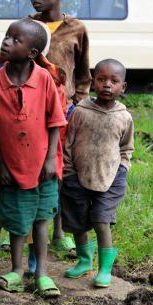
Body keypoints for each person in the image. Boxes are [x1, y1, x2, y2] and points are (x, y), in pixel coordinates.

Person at [0, 18, 66, 298]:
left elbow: (55, 122)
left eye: (15, 40)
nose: (6, 41)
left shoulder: (45, 79)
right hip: (11, 166)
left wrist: (51, 159)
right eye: (6, 36)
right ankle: (16, 270)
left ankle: (42, 273)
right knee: (16, 219)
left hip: (43, 166)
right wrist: (0, 164)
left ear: (32, 53)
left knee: (40, 219)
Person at [28, 0, 91, 255]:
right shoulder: (27, 26)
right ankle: (24, 228)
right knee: (30, 165)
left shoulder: (76, 29)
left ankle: (59, 230)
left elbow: (83, 73)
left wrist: (77, 103)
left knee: (59, 170)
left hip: (63, 111)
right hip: (29, 111)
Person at [61, 58, 134, 288]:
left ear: (123, 87)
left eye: (114, 81)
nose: (107, 85)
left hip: (111, 178)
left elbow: (126, 148)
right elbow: (68, 143)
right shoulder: (81, 111)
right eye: (101, 79)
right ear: (93, 83)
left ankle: (104, 269)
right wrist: (69, 172)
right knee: (78, 222)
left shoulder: (124, 117)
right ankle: (84, 261)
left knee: (102, 221)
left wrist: (122, 168)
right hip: (77, 176)